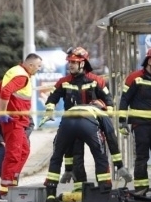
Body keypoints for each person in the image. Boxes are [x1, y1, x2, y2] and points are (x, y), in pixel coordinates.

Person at [42, 46, 114, 194]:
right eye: (70, 62)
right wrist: (49, 111)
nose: (70, 65)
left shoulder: (96, 81)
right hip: (72, 124)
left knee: (99, 155)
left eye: (74, 62)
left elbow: (109, 101)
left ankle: (103, 191)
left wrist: (105, 112)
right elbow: (52, 99)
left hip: (92, 124)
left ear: (83, 63)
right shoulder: (64, 82)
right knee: (76, 159)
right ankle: (79, 191)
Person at [44, 100, 124, 202]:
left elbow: (67, 146)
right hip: (87, 125)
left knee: (56, 157)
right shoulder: (101, 112)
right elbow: (111, 138)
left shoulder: (73, 108)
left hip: (67, 122)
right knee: (100, 157)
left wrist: (68, 169)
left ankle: (50, 194)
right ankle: (104, 192)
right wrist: (119, 165)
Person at [118, 46, 151, 195]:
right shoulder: (134, 78)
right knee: (142, 157)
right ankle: (141, 189)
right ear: (149, 62)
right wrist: (122, 121)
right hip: (141, 125)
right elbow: (124, 100)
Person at [0, 53, 43, 201]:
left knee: (24, 151)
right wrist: (2, 112)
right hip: (14, 121)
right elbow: (5, 91)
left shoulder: (15, 71)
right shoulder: (22, 76)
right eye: (38, 66)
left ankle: (12, 184)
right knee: (14, 154)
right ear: (30, 65)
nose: (39, 69)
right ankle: (5, 191)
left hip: (17, 121)